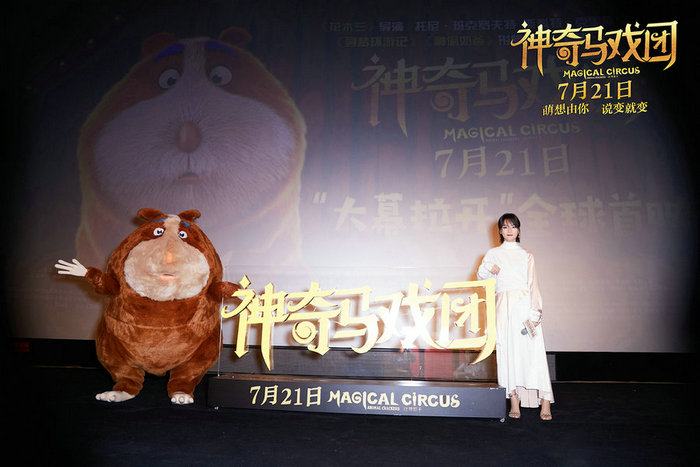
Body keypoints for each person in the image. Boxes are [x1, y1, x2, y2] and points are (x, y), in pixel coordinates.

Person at [477, 213, 553, 420]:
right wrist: (487, 268)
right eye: (505, 227)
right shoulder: (493, 253)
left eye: (513, 226)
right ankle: (514, 399)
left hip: (524, 306)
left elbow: (533, 284)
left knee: (533, 352)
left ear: (519, 230)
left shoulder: (527, 255)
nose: (509, 230)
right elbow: (482, 278)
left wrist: (536, 312)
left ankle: (545, 399)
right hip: (503, 307)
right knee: (507, 352)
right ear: (500, 231)